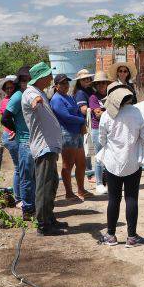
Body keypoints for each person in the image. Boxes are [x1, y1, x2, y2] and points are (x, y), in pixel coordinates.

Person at [97, 86, 144, 247]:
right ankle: (132, 237)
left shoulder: (107, 115)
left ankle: (111, 235)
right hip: (133, 161)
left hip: (112, 162)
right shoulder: (137, 113)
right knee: (131, 198)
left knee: (113, 199)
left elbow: (102, 139)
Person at [21, 62, 67, 236]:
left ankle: (49, 217)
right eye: (48, 75)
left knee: (51, 184)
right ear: (41, 77)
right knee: (44, 186)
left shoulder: (39, 91)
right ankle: (43, 224)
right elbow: (34, 101)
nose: (50, 78)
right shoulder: (31, 92)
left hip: (49, 146)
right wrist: (36, 102)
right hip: (43, 147)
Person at [50, 71, 90, 201]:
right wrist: (82, 121)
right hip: (66, 134)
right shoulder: (56, 99)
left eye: (67, 82)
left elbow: (78, 111)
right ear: (56, 86)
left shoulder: (69, 97)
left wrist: (81, 122)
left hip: (76, 133)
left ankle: (81, 189)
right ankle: (69, 192)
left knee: (81, 163)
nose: (65, 85)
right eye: (62, 83)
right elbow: (66, 117)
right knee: (68, 165)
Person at [3, 66, 35, 220]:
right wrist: (17, 130)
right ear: (19, 82)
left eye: (29, 80)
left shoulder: (33, 94)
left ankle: (34, 207)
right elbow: (5, 118)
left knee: (34, 177)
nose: (26, 83)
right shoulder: (18, 96)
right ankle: (28, 211)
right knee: (26, 176)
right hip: (24, 141)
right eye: (23, 81)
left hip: (35, 141)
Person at [0, 75, 20, 197]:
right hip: (11, 136)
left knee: (21, 167)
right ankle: (18, 197)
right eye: (7, 88)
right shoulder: (7, 102)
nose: (9, 90)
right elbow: (7, 120)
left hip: (12, 135)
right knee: (19, 168)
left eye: (11, 87)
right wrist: (15, 130)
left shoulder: (13, 98)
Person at [87, 70, 112, 194]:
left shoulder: (111, 96)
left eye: (103, 83)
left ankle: (109, 182)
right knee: (99, 157)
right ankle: (99, 183)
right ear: (95, 85)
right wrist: (111, 111)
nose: (101, 85)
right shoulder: (93, 97)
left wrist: (105, 111)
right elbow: (97, 115)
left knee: (110, 157)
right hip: (97, 130)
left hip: (110, 129)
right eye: (99, 83)